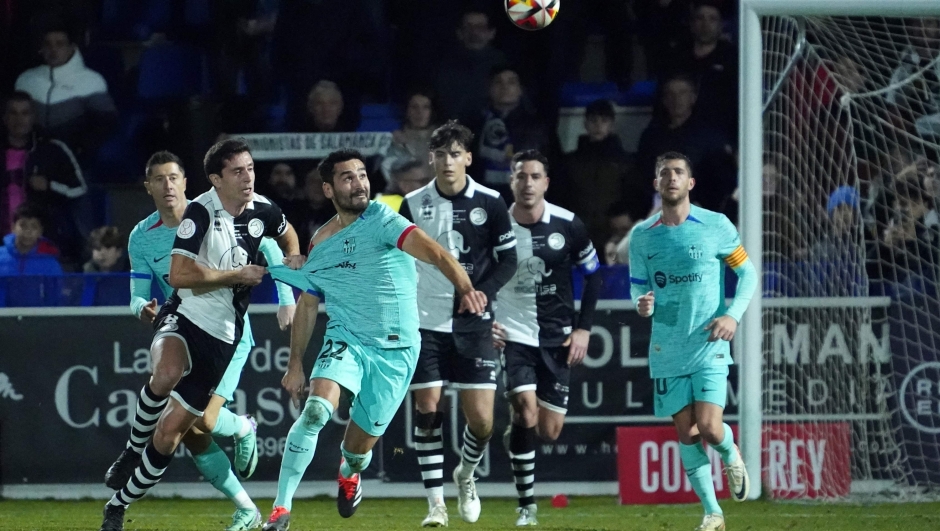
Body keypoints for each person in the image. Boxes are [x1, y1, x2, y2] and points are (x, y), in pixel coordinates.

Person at [260, 148, 487, 531]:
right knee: (315, 411)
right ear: (329, 189)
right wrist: (295, 362)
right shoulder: (321, 241)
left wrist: (466, 289)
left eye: (362, 175)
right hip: (346, 335)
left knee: (358, 450)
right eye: (348, 177)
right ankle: (280, 511)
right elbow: (310, 304)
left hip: (396, 350)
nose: (359, 183)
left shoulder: (383, 219)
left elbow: (434, 252)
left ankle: (350, 472)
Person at [98, 139, 300, 531]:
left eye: (250, 169)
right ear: (214, 179)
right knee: (167, 375)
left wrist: (289, 280)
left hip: (227, 334)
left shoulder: (260, 208)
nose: (248, 178)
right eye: (238, 171)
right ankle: (130, 455)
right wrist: (145, 307)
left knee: (188, 428)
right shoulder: (189, 218)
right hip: (182, 315)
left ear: (185, 180)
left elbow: (282, 237)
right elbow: (174, 278)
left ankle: (120, 501)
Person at [626, 151, 757, 531]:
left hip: (708, 342)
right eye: (664, 172)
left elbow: (747, 274)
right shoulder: (641, 236)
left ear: (690, 182)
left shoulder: (715, 225)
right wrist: (643, 305)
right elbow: (638, 289)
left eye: (678, 172)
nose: (671, 178)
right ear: (656, 183)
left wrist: (732, 315)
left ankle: (731, 454)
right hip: (667, 347)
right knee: (687, 433)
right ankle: (712, 513)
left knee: (711, 427)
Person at [398, 120, 518, 527]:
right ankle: (435, 505)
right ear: (431, 158)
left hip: (473, 323)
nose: (448, 162)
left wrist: (482, 292)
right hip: (425, 321)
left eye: (455, 154)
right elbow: (400, 263)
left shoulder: (493, 202)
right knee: (427, 407)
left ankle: (465, 474)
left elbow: (510, 261)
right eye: (441, 154)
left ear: (468, 157)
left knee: (482, 422)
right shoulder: (411, 203)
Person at [491, 149, 601, 526]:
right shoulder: (496, 225)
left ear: (546, 183)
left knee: (548, 431)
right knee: (525, 409)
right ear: (512, 181)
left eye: (535, 176)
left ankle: (518, 434)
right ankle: (526, 506)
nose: (527, 183)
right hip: (514, 334)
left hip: (557, 337)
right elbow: (475, 279)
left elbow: (594, 275)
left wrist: (584, 327)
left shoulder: (568, 224)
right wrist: (487, 319)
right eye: (521, 176)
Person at [1, 91, 87, 267]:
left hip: (43, 243)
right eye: (13, 113)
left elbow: (79, 188)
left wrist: (49, 185)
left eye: (25, 113)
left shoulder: (52, 149)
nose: (19, 119)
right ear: (4, 118)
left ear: (33, 117)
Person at [14, 23, 118, 158]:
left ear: (72, 47)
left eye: (60, 44)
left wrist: (82, 148)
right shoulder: (25, 79)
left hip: (74, 157)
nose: (53, 49)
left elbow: (106, 125)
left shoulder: (92, 81)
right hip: (30, 155)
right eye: (47, 44)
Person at [0, 202, 62, 276]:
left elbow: (56, 287)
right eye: (23, 225)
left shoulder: (50, 263)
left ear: (40, 231)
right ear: (13, 227)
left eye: (34, 226)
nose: (28, 231)